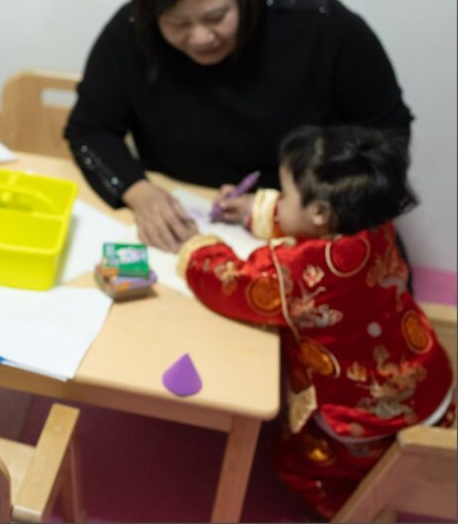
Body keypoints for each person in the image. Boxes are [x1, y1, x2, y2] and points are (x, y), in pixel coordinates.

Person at [64, 0, 413, 254]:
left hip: (316, 231)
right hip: (189, 223)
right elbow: (89, 129)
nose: (200, 37)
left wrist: (294, 209)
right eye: (178, 23)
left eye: (216, 17)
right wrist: (139, 192)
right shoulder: (133, 34)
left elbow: (388, 139)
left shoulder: (321, 28)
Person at [175, 124, 454, 519]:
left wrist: (196, 245)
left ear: (320, 212)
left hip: (364, 414)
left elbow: (236, 284)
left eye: (285, 195)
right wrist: (258, 209)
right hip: (427, 381)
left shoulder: (306, 274)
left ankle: (352, 510)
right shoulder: (372, 222)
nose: (280, 202)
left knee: (301, 466)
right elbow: (307, 221)